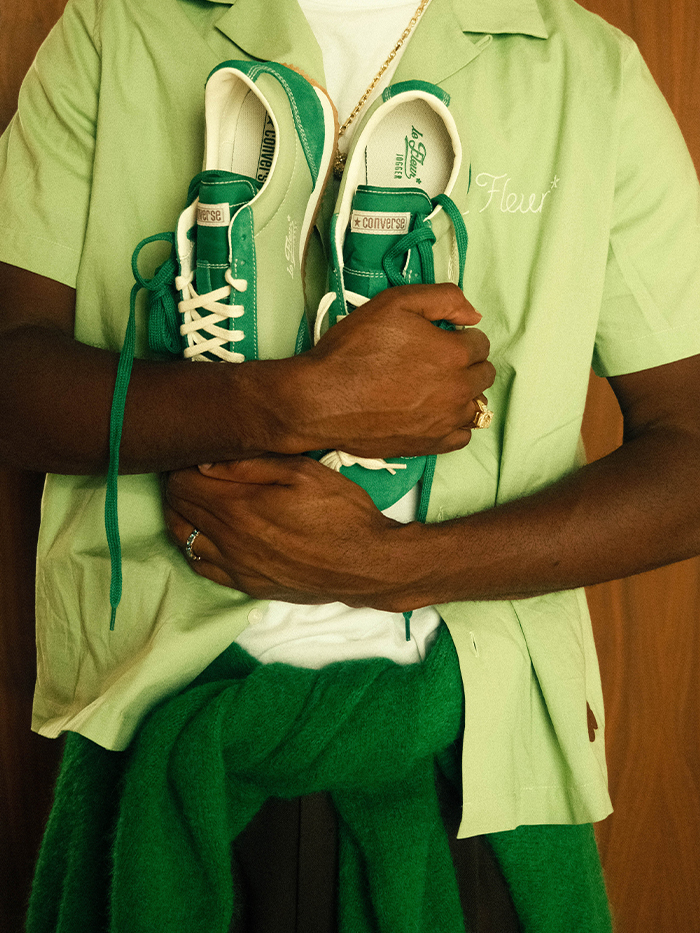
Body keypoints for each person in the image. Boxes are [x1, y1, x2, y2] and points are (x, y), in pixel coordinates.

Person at [1, 0, 699, 928]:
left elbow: (691, 450)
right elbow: (13, 376)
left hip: (465, 763)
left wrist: (396, 567)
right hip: (165, 727)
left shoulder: (586, 71)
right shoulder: (116, 30)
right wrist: (294, 400)